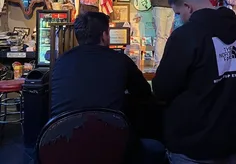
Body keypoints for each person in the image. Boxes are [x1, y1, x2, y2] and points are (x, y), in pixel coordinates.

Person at [152, 0, 236, 164]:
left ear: (188, 7)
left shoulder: (185, 36)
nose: (179, 19)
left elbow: (161, 90)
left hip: (193, 145)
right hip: (232, 142)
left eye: (178, 13)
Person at [51, 12, 165, 164]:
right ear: (104, 35)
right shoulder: (120, 60)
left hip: (62, 146)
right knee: (155, 147)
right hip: (112, 145)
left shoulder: (60, 63)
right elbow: (144, 94)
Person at [148, 0, 177, 66]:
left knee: (166, 36)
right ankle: (158, 62)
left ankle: (165, 60)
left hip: (171, 8)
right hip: (159, 7)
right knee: (160, 35)